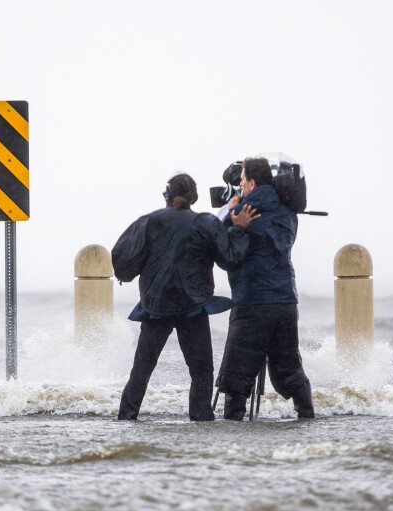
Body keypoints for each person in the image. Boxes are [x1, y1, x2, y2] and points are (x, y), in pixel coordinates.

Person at [112, 173, 259, 421]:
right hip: (192, 307)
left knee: (142, 369)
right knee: (201, 371)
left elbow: (123, 259)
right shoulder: (206, 223)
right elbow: (231, 258)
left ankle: (127, 416)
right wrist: (239, 229)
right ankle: (201, 417)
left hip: (155, 307)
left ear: (167, 196)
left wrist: (126, 275)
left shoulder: (148, 222)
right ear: (194, 197)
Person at [217, 157, 315, 419]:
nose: (239, 185)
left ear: (251, 182)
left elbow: (226, 253)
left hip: (252, 302)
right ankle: (307, 415)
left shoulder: (242, 212)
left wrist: (231, 219)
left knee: (236, 375)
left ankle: (233, 423)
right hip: (285, 301)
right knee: (289, 366)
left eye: (241, 181)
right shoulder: (287, 210)